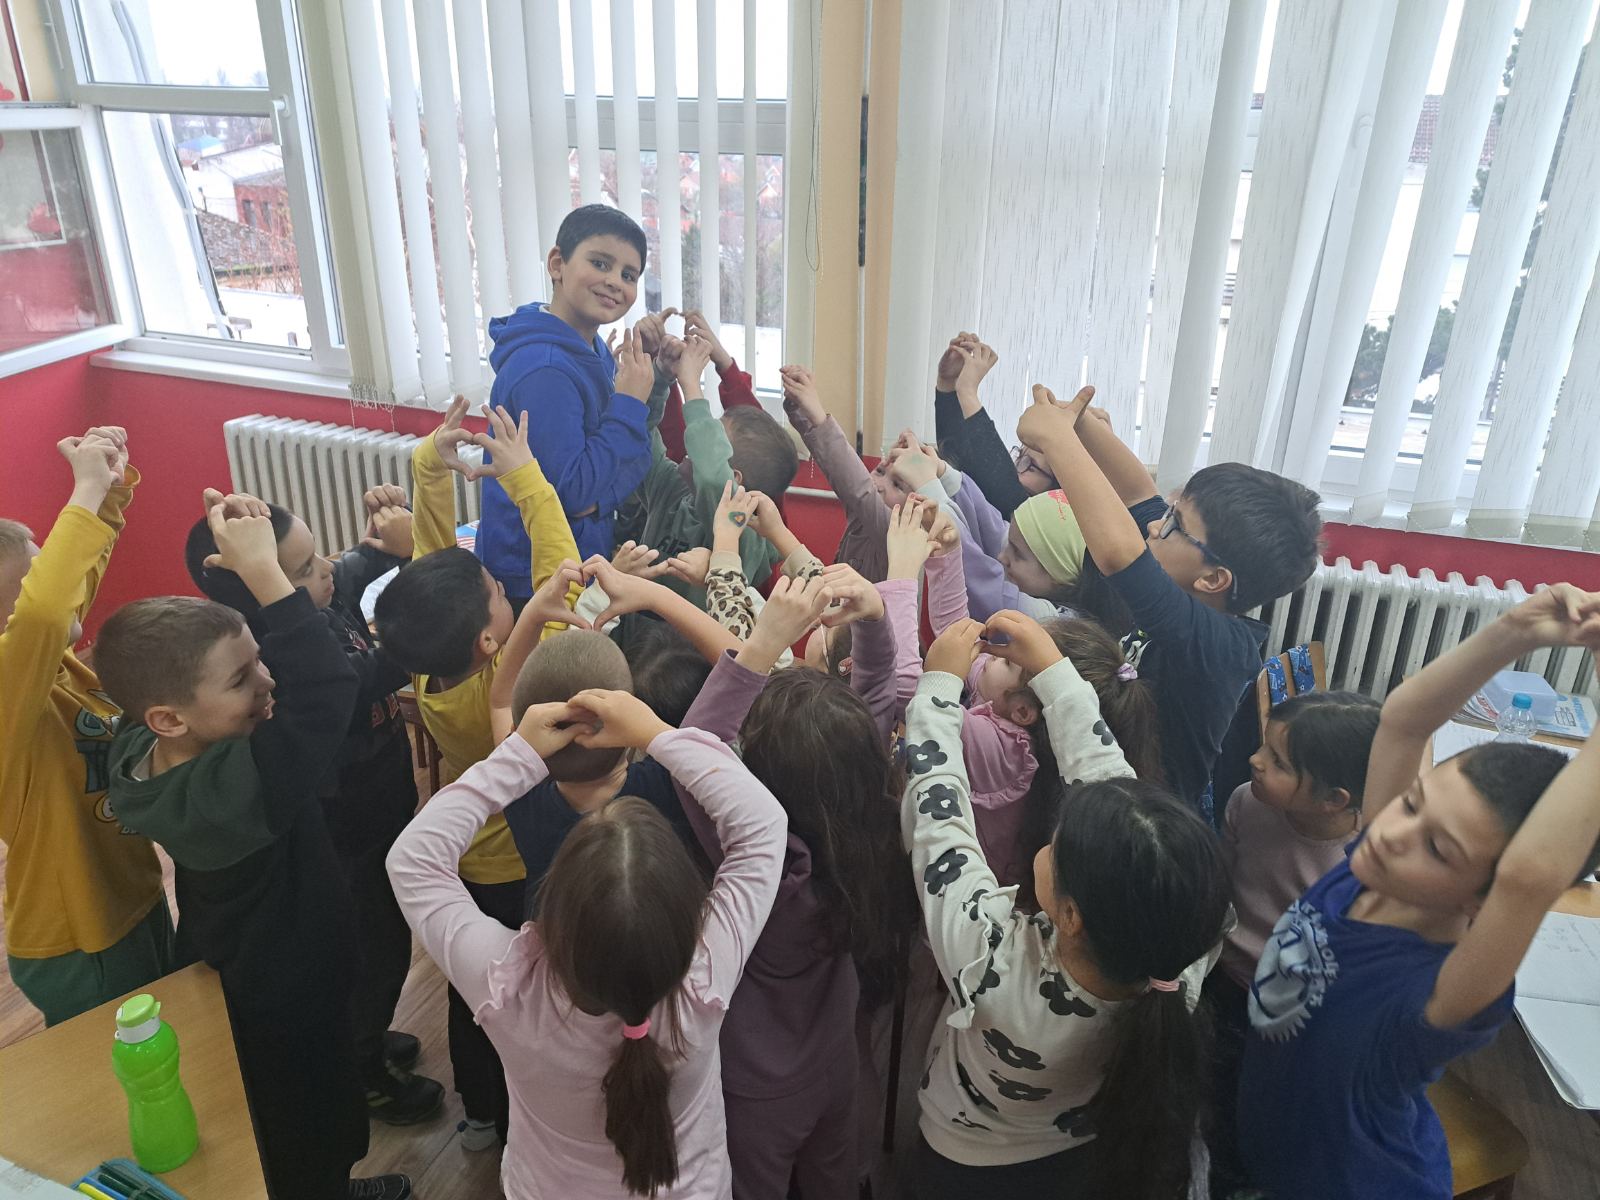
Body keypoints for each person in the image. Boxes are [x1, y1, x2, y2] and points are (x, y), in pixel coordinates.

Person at [1236, 585, 1600, 1200]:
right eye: (1412, 803)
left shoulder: (1443, 991)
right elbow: (1404, 722)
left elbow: (1530, 874)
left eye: (1438, 847)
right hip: (1271, 1140)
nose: (1392, 832)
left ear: (1482, 901)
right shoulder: (1375, 866)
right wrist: (1516, 630)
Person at [96, 495, 409, 1200]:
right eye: (242, 679)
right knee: (313, 1121)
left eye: (260, 662)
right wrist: (266, 575)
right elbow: (326, 687)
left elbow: (274, 676)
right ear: (169, 717)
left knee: (303, 1106)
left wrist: (254, 572)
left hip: (258, 966)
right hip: (288, 983)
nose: (269, 683)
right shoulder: (237, 788)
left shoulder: (147, 745)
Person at [385, 687, 788, 1199]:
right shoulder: (705, 976)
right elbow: (763, 824)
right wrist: (655, 733)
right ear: (691, 908)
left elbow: (412, 859)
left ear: (549, 909)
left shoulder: (510, 987)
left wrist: (519, 754)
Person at [902, 611, 1230, 1200]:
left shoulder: (991, 961)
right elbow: (1115, 794)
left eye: (1059, 843)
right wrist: (1053, 671)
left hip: (965, 1164)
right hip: (1083, 1155)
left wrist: (937, 690)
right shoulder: (1178, 956)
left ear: (1071, 915)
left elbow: (938, 824)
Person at [183, 487, 444, 1123]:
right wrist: (432, 629)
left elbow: (344, 571)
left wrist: (382, 549)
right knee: (371, 952)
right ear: (262, 592)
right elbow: (352, 680)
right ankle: (361, 1066)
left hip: (378, 809)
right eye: (303, 569)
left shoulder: (312, 603)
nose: (327, 569)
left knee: (381, 944)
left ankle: (365, 1037)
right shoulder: (283, 655)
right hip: (347, 834)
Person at [373, 396, 583, 1148]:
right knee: (523, 990)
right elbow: (563, 581)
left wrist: (430, 467)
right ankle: (525, 1109)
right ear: (490, 640)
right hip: (515, 863)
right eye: (498, 593)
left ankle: (481, 1115)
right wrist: (527, 479)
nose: (505, 590)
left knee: (472, 994)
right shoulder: (510, 684)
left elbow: (433, 564)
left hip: (467, 858)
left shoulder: (426, 665)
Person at [674, 564, 915, 1200]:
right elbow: (873, 709)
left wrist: (761, 646)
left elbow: (693, 753)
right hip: (837, 1056)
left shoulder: (763, 864)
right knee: (834, 1179)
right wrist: (874, 622)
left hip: (758, 1086)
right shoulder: (875, 827)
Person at [1015, 384, 1323, 825]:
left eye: (1175, 523)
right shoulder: (1183, 571)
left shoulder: (1221, 647)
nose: (1157, 526)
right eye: (1171, 512)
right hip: (1097, 783)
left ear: (1213, 578)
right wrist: (1077, 422)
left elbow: (1120, 556)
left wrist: (1057, 440)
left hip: (1142, 825)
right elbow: (1138, 493)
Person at [0, 427, 174, 1027]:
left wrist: (110, 492)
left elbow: (64, 590)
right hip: (79, 938)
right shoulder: (6, 690)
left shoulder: (54, 661)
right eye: (33, 576)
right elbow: (46, 611)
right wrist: (86, 488)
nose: (59, 578)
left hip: (131, 896)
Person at [1206, 689, 1379, 1194]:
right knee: (1214, 1092)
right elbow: (1221, 882)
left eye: (1278, 761)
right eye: (1264, 746)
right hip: (1225, 980)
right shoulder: (1246, 800)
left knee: (1265, 1107)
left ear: (1334, 800)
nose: (1254, 760)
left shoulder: (1363, 864)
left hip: (1294, 1015)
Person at [483, 203, 660, 572]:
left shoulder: (592, 348)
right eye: (600, 263)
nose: (615, 281)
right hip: (535, 573)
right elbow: (574, 494)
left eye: (628, 275)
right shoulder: (546, 369)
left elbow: (636, 460)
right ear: (557, 264)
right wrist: (629, 403)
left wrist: (601, 500)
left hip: (577, 557)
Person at [499, 628, 704, 912]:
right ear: (629, 735)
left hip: (551, 930)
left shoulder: (515, 792)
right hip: (662, 929)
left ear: (516, 738)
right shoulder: (671, 782)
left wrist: (532, 617)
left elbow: (499, 703)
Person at [620, 333, 797, 594]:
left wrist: (691, 384)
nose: (696, 436)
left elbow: (713, 478)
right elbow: (641, 438)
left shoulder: (742, 532)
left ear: (735, 480)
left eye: (714, 437)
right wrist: (661, 377)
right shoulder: (673, 488)